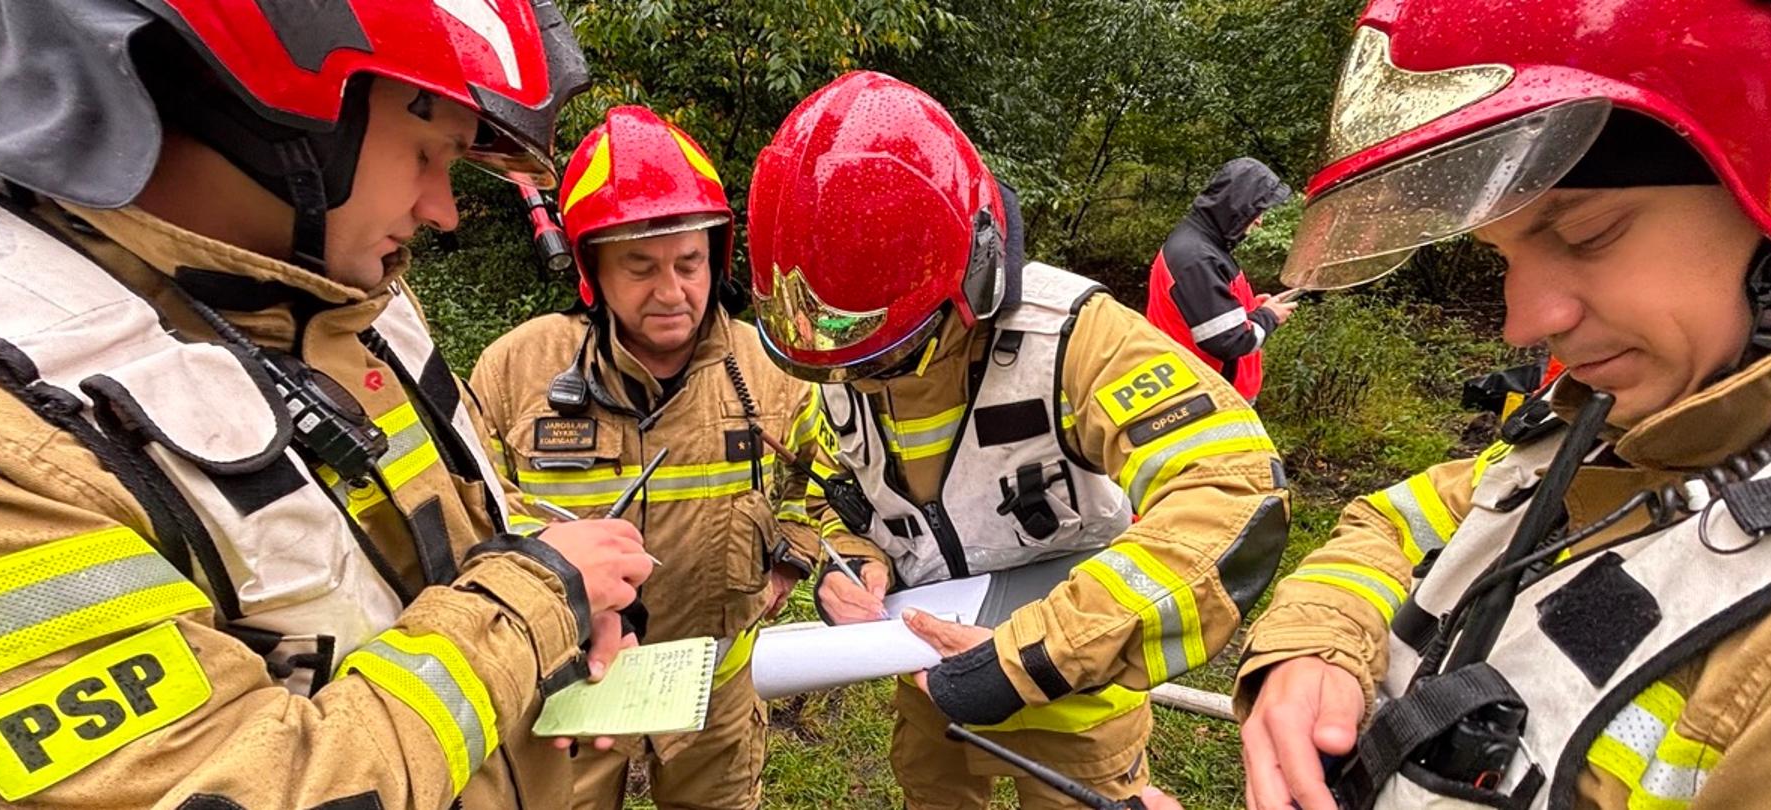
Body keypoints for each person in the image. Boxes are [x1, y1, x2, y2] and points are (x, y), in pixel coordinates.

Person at [0, 1, 655, 806]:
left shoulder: (337, 302)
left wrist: (564, 598)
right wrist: (534, 598)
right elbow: (233, 785)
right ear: (277, 115)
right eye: (427, 154)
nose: (442, 210)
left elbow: (434, 541)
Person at [1234, 1, 1771, 808]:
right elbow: (1398, 522)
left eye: (1587, 234)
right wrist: (1320, 645)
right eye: (1505, 255)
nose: (1525, 319)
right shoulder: (1606, 429)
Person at [745, 71, 1291, 809]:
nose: (856, 379)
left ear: (970, 284)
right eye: (836, 360)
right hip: (930, 690)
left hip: (1079, 704)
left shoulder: (1072, 337)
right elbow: (835, 494)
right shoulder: (837, 341)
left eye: (880, 357)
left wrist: (1035, 653)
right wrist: (856, 563)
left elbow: (1236, 488)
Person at [470, 105, 822, 810]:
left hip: (715, 701)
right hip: (569, 701)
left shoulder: (774, 368)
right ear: (590, 268)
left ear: (716, 257)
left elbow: (826, 483)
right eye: (639, 266)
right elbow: (473, 514)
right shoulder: (518, 369)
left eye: (689, 263)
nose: (671, 292)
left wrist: (792, 555)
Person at [1143, 157, 1297, 402]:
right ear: (1238, 205)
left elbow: (1205, 314)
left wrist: (1252, 310)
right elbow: (1228, 340)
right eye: (1257, 211)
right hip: (1208, 399)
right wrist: (1268, 317)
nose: (1259, 220)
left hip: (1206, 390)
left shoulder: (1201, 244)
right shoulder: (1197, 257)